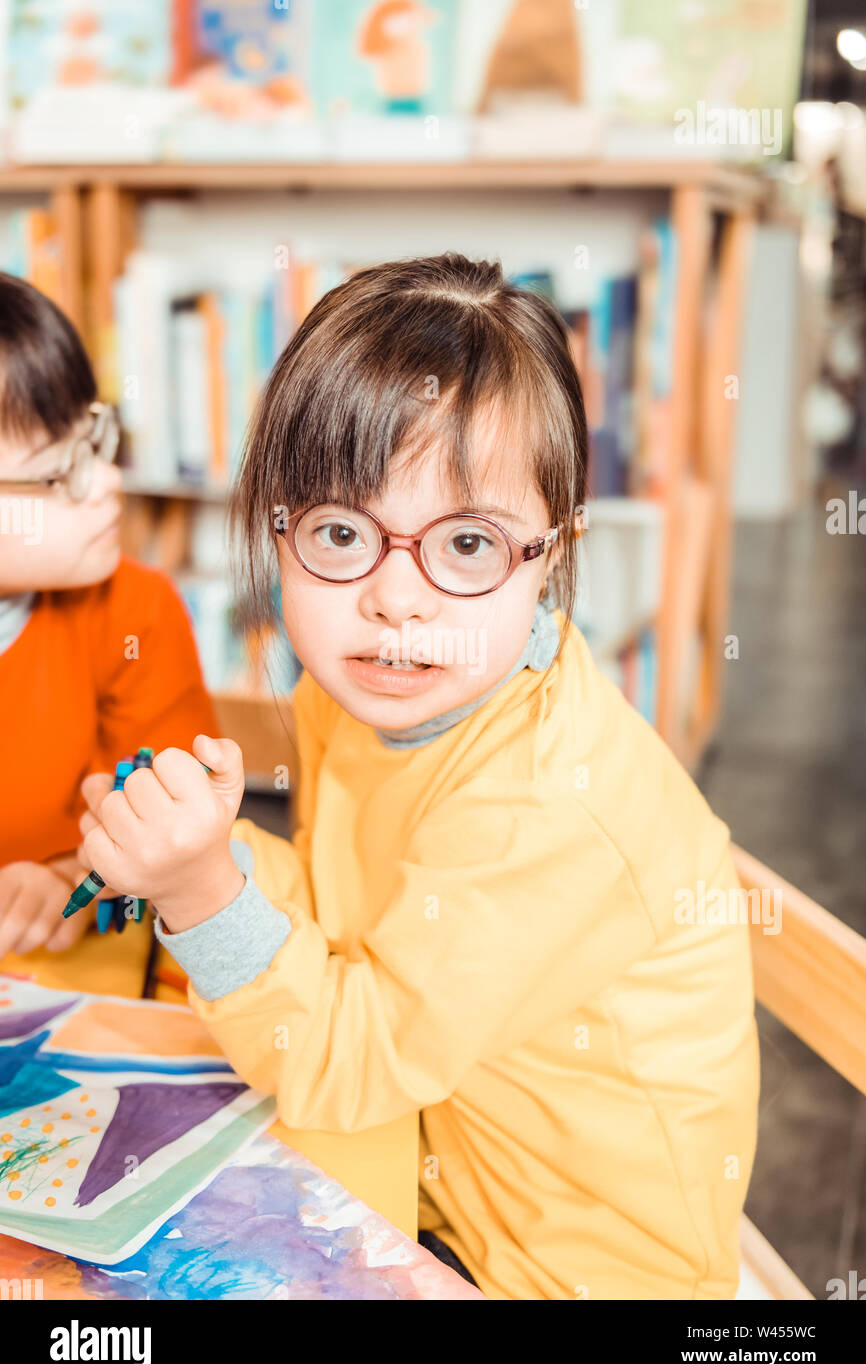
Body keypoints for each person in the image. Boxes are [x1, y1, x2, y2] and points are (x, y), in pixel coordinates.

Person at [75, 253, 760, 1299]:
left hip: (569, 1273)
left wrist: (202, 890)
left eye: (468, 543)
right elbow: (362, 924)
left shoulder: (545, 803)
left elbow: (348, 1057)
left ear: (550, 555)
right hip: (422, 1156)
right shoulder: (367, 691)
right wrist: (206, 848)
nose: (396, 599)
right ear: (277, 529)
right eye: (341, 532)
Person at [0, 271, 219, 958]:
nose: (109, 481)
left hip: (78, 977)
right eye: (60, 470)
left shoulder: (136, 613)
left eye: (94, 438)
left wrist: (71, 881)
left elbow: (186, 841)